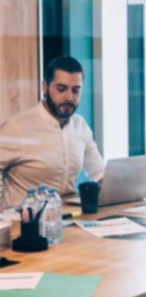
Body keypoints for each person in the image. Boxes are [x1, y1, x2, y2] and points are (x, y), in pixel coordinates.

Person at [0, 55, 105, 209]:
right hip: (25, 222)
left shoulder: (80, 126)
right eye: (61, 89)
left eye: (76, 90)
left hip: (69, 216)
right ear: (44, 87)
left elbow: (99, 173)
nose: (69, 97)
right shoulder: (17, 127)